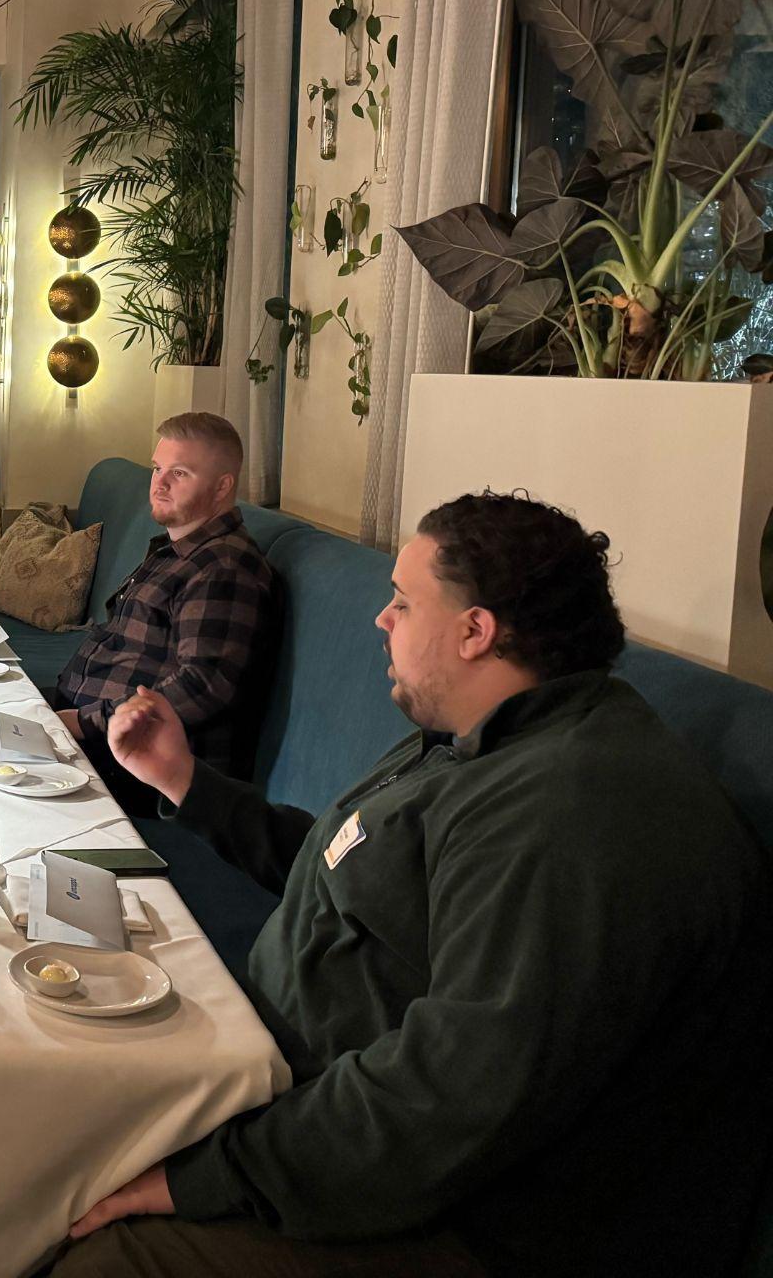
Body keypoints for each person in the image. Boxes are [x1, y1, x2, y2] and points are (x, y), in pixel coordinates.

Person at [52, 493, 772, 1278]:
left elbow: (449, 1099)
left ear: (475, 630)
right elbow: (346, 868)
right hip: (292, 1089)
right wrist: (185, 782)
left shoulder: (571, 814)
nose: (381, 619)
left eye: (402, 600)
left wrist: (204, 1177)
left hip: (470, 1222)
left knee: (98, 1253)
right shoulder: (477, 739)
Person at [51, 413, 277, 813]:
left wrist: (82, 723)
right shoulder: (177, 550)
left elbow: (202, 686)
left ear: (222, 486)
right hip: (92, 731)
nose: (160, 483)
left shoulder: (223, 568)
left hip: (135, 764)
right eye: (158, 469)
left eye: (180, 473)